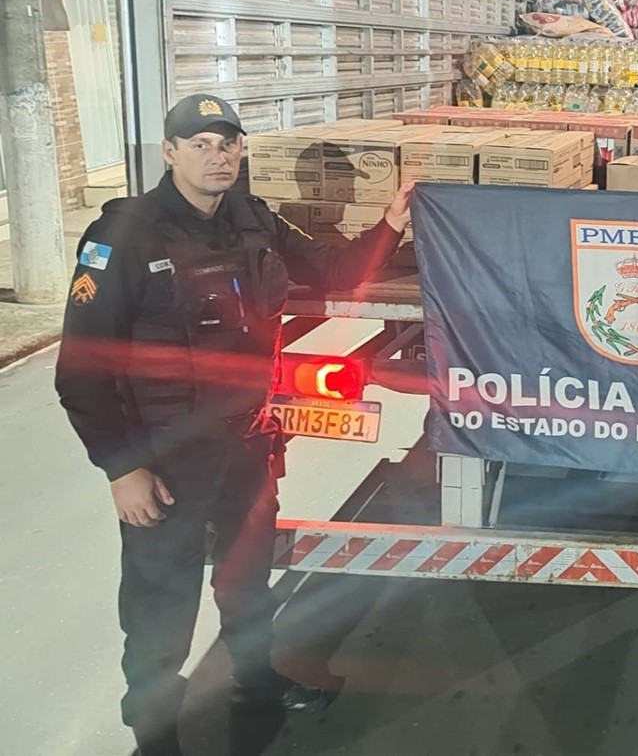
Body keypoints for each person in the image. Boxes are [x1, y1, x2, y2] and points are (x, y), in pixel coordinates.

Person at [55, 94, 413, 756]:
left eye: (228, 144)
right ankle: (156, 738)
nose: (217, 156)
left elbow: (334, 269)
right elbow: (81, 367)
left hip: (247, 443)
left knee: (246, 583)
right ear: (169, 152)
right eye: (200, 144)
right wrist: (122, 469)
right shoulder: (124, 235)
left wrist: (391, 224)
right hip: (167, 459)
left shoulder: (252, 219)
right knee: (161, 610)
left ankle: (257, 684)